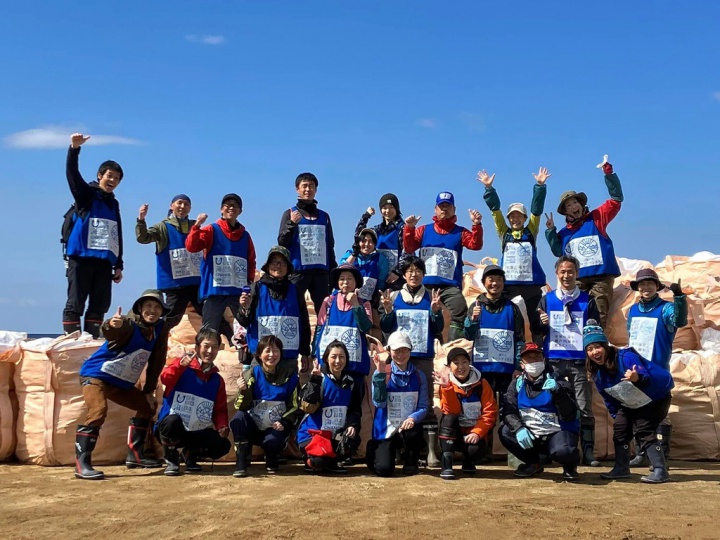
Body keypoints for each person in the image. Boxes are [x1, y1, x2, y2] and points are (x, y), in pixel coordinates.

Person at [74, 290, 170, 480]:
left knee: (147, 407)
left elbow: (157, 361)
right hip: (96, 375)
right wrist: (111, 325)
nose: (153, 310)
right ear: (140, 308)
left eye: (157, 307)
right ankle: (82, 464)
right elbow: (113, 331)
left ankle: (135, 456)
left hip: (120, 383)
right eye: (148, 306)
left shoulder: (160, 329)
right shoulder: (129, 324)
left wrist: (148, 391)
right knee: (98, 411)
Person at [584, 321, 674, 483]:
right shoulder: (598, 374)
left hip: (655, 397)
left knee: (644, 429)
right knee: (620, 430)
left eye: (597, 347)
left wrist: (636, 378)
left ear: (606, 346)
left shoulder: (626, 357)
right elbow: (610, 399)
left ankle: (660, 470)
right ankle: (621, 468)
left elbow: (645, 376)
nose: (594, 352)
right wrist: (618, 418)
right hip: (631, 401)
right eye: (590, 349)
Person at [533, 255, 600, 466]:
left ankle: (587, 452)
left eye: (570, 271)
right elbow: (536, 330)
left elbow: (595, 331)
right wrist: (542, 323)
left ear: (577, 274)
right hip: (553, 360)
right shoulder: (547, 299)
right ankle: (554, 449)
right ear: (556, 274)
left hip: (579, 361)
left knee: (584, 407)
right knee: (552, 405)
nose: (566, 275)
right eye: (562, 271)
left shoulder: (587, 300)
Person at [545, 154, 624, 329]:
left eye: (575, 202)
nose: (573, 207)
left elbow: (616, 200)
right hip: (578, 280)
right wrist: (550, 231)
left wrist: (608, 173)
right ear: (565, 212)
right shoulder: (565, 233)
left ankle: (596, 348)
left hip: (601, 277)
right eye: (569, 205)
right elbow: (558, 251)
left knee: (599, 314)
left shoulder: (596, 219)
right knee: (575, 314)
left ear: (581, 204)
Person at [380, 255, 444, 466]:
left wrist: (436, 313)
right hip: (398, 358)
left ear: (423, 274)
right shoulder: (396, 296)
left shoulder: (431, 298)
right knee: (396, 403)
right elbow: (386, 328)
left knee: (422, 403)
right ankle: (397, 446)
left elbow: (438, 329)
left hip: (422, 357)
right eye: (409, 271)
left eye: (417, 270)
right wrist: (388, 311)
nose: (413, 274)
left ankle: (428, 451)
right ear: (404, 275)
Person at [61, 133, 124, 338]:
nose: (112, 180)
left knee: (99, 305)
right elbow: (72, 174)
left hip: (104, 263)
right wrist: (74, 149)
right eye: (109, 176)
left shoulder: (113, 203)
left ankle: (89, 343)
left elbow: (116, 234)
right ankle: (72, 343)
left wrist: (119, 264)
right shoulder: (86, 195)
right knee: (75, 304)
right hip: (81, 258)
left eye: (116, 178)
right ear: (100, 176)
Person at [478, 167, 550, 344]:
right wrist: (489, 189)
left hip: (530, 284)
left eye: (519, 216)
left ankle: (538, 348)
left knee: (536, 317)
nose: (515, 219)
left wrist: (540, 186)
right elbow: (496, 212)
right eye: (512, 217)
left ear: (524, 218)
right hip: (508, 283)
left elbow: (537, 211)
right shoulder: (504, 233)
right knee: (499, 308)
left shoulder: (531, 231)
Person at [403, 191, 484, 341]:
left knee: (460, 308)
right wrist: (409, 228)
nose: (444, 209)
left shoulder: (460, 232)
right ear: (435, 209)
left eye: (448, 206)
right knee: (416, 311)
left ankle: (453, 347)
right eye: (441, 206)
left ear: (454, 209)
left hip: (450, 287)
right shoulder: (423, 230)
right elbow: (409, 248)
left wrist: (476, 225)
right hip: (424, 285)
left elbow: (475, 245)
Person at [185, 193, 256, 363]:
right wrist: (196, 226)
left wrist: (249, 282)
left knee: (248, 326)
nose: (231, 208)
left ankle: (248, 362)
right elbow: (191, 246)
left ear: (240, 211)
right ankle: (201, 363)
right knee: (208, 331)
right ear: (221, 209)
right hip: (215, 292)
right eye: (227, 205)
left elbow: (251, 260)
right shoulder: (211, 230)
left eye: (235, 206)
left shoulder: (245, 236)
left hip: (237, 292)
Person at [626, 269, 687, 466]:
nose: (645, 287)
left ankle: (660, 456)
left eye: (650, 283)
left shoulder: (665, 308)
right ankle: (642, 453)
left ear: (657, 286)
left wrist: (679, 297)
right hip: (637, 370)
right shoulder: (633, 310)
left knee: (659, 414)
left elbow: (680, 320)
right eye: (642, 284)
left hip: (658, 369)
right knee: (637, 411)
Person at [499, 343, 581, 480]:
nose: (534, 362)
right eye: (529, 359)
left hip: (557, 433)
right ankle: (533, 463)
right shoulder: (516, 384)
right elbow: (508, 411)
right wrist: (518, 428)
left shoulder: (558, 380)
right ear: (522, 364)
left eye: (537, 358)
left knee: (564, 451)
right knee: (505, 432)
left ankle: (570, 465)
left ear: (543, 360)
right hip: (532, 434)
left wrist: (558, 392)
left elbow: (570, 413)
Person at [155, 327, 231, 476]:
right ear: (197, 347)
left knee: (222, 445)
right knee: (172, 422)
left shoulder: (217, 380)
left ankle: (191, 454)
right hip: (171, 428)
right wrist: (180, 366)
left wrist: (222, 426)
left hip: (196, 430)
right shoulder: (182, 367)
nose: (210, 351)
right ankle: (171, 458)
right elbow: (165, 378)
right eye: (206, 346)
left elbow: (219, 409)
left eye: (214, 347)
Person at [230, 335, 301, 477]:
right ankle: (242, 462)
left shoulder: (290, 376)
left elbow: (295, 406)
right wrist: (243, 390)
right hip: (254, 427)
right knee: (238, 418)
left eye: (275, 351)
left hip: (275, 428)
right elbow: (241, 406)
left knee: (274, 441)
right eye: (267, 351)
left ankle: (272, 456)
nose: (271, 355)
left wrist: (284, 421)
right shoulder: (251, 374)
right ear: (260, 355)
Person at [366, 331, 430, 477]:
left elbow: (423, 406)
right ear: (389, 351)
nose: (401, 354)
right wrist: (380, 377)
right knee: (384, 470)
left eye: (405, 350)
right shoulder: (383, 372)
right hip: (386, 428)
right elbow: (379, 402)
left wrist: (412, 418)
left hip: (407, 427)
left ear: (410, 350)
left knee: (414, 431)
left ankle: (411, 461)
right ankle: (374, 448)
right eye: (396, 350)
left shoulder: (419, 376)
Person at [238, 246, 311, 372]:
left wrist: (305, 352)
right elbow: (244, 322)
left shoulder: (296, 291)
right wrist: (245, 308)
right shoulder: (256, 288)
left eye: (283, 263)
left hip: (288, 358)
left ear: (288, 267)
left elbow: (304, 322)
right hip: (262, 357)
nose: (278, 266)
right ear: (267, 266)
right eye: (274, 262)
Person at [135, 194, 203, 329]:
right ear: (171, 206)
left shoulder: (195, 226)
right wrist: (141, 220)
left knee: (209, 314)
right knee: (171, 319)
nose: (183, 207)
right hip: (175, 284)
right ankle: (155, 343)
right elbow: (143, 238)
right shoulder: (163, 227)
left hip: (196, 282)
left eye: (186, 204)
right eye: (179, 203)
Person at [297, 341, 363, 474]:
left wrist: (352, 426)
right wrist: (314, 382)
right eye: (333, 357)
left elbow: (355, 410)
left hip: (334, 435)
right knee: (319, 462)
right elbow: (306, 407)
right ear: (326, 358)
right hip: (312, 435)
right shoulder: (319, 379)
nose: (338, 361)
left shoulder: (351, 383)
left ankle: (331, 460)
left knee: (352, 441)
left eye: (342, 357)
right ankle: (311, 461)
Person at [278, 172, 338, 313]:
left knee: (324, 312)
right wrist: (292, 224)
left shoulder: (324, 216)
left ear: (316, 190)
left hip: (321, 273)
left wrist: (333, 272)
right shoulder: (289, 213)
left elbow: (330, 245)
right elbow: (282, 243)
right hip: (298, 272)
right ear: (297, 189)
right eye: (304, 186)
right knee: (293, 310)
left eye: (311, 186)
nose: (308, 189)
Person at [434, 347, 497, 480]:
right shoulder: (446, 383)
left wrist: (477, 432)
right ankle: (447, 464)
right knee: (448, 419)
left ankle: (469, 460)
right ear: (450, 366)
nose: (461, 366)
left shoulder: (482, 384)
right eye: (456, 363)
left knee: (475, 450)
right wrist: (447, 388)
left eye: (464, 362)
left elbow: (489, 413)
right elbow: (451, 411)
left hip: (473, 435)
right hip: (454, 434)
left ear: (470, 363)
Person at [463, 265, 525, 396]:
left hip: (506, 370)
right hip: (482, 369)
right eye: (491, 279)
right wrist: (473, 320)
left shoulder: (513, 308)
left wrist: (518, 368)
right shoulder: (475, 306)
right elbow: (468, 336)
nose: (495, 283)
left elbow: (520, 340)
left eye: (499, 279)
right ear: (484, 282)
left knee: (506, 407)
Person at [315, 264, 372, 394]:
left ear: (356, 282)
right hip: (330, 365)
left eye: (350, 278)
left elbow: (365, 327)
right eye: (342, 278)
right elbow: (319, 329)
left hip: (354, 366)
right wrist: (315, 355)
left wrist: (356, 305)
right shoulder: (328, 301)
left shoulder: (364, 303)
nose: (345, 282)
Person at [340, 228, 389, 340]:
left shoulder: (380, 259)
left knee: (366, 331)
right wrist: (354, 254)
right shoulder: (350, 254)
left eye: (371, 241)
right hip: (345, 301)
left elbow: (381, 281)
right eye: (364, 241)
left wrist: (376, 299)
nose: (367, 244)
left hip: (367, 303)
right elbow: (342, 268)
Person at [354, 193, 407, 290]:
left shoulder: (402, 228)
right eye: (384, 208)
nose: (387, 211)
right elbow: (359, 236)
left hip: (396, 279)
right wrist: (366, 216)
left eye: (391, 207)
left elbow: (408, 251)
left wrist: (397, 272)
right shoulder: (378, 229)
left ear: (396, 209)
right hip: (378, 276)